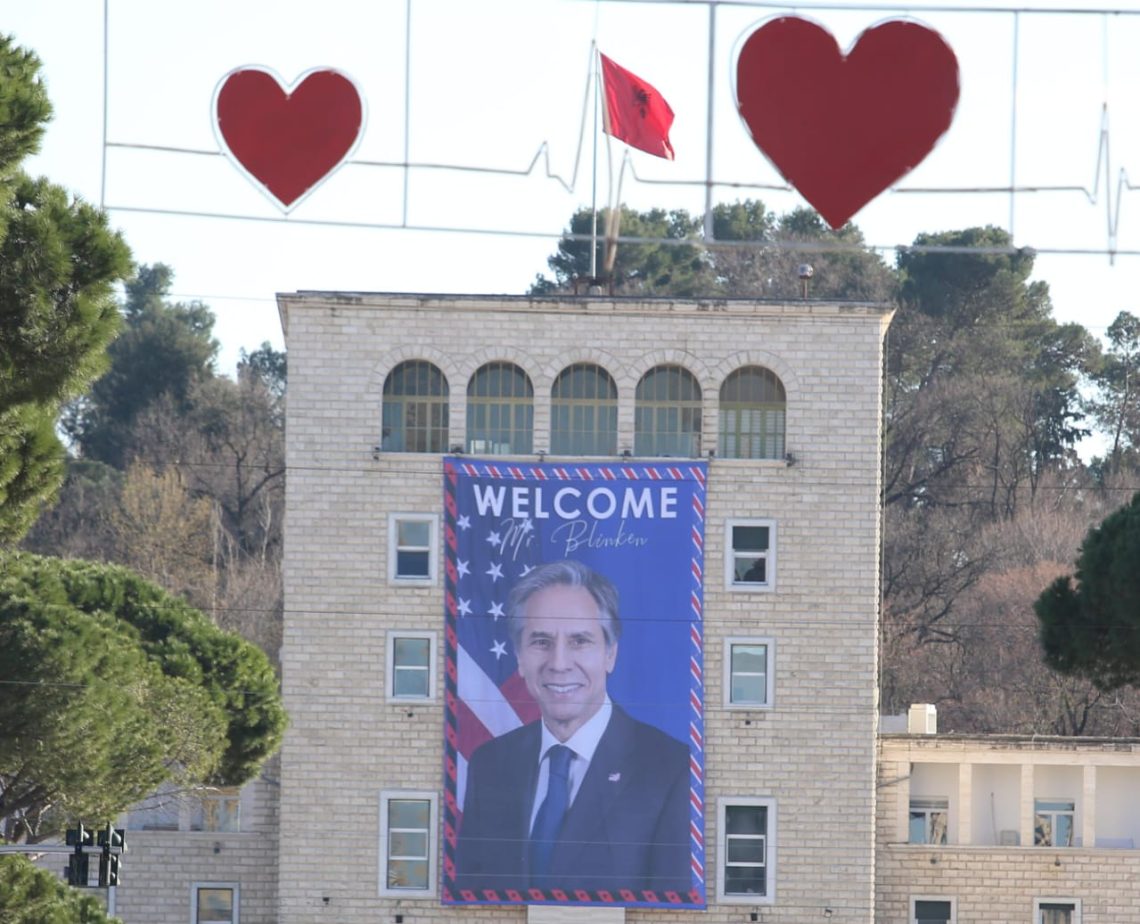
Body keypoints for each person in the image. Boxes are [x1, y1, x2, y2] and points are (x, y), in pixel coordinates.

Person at [455, 559, 691, 898]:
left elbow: (672, 910)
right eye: (541, 641)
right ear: (519, 657)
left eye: (580, 641)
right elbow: (471, 898)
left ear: (610, 654)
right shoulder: (489, 763)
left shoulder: (670, 768)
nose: (559, 663)